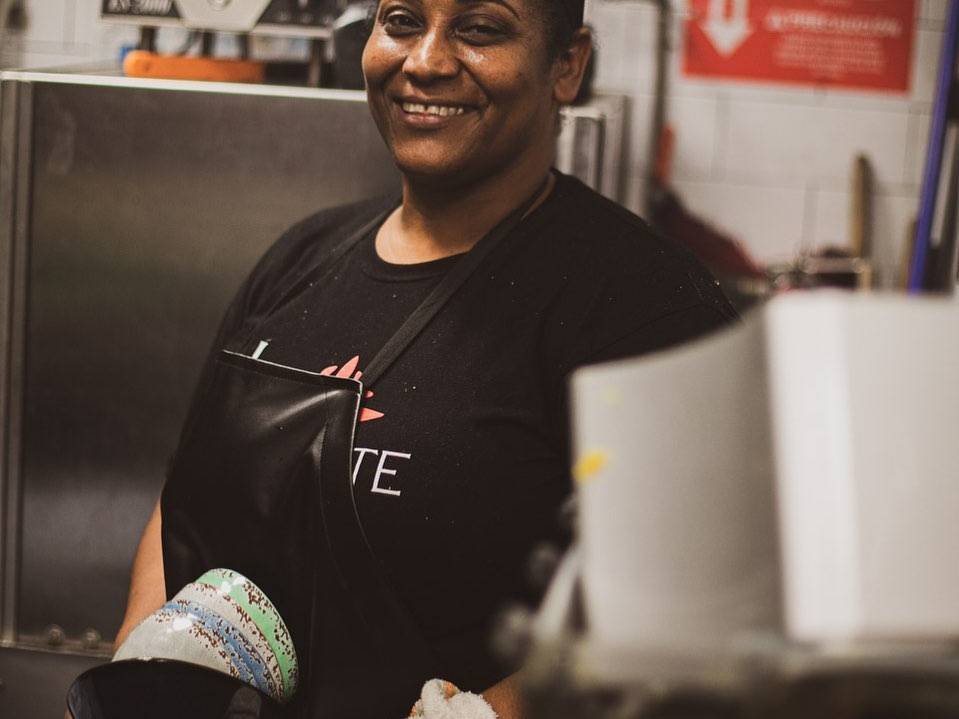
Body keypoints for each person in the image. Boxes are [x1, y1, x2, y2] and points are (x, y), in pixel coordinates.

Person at [115, 1, 737, 717]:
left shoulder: (645, 306)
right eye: (403, 20)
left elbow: (687, 606)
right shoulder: (300, 259)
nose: (425, 61)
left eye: (479, 29)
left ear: (566, 65)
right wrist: (141, 669)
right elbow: (187, 500)